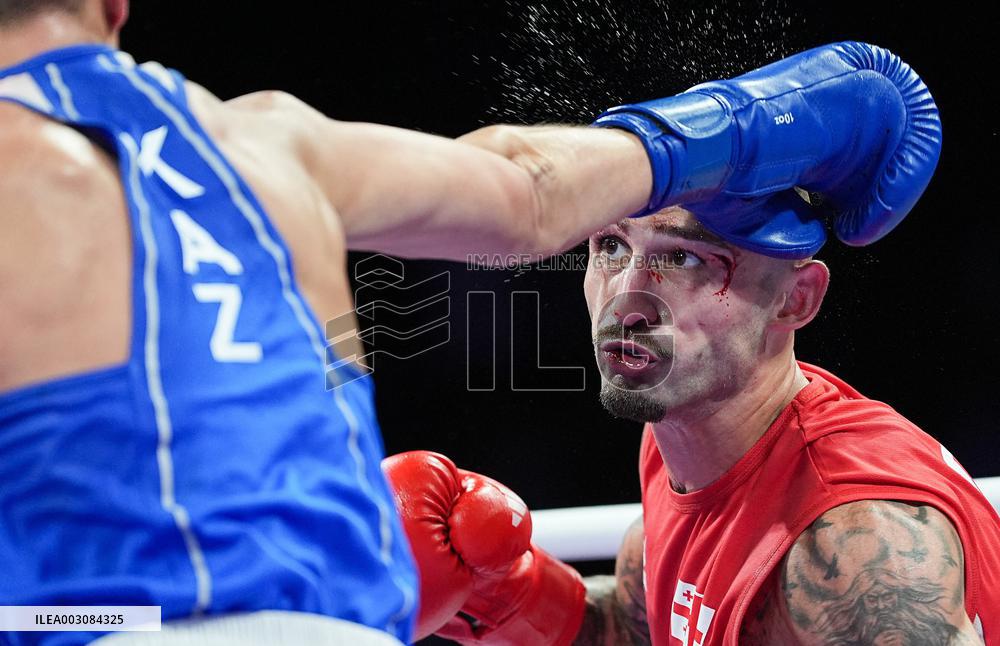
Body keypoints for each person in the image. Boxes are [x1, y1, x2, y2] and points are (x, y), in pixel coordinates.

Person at [383, 44, 1000, 646]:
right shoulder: (681, 439)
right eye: (611, 247)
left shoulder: (854, 551)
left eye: (680, 257)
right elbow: (643, 627)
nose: (627, 295)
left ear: (796, 300)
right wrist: (499, 594)